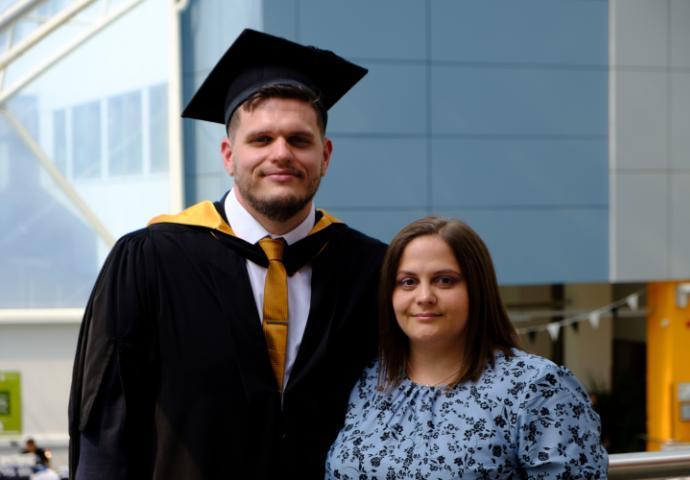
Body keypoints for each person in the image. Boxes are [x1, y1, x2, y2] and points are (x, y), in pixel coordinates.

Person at [68, 29, 386, 479]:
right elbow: (108, 426)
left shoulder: (370, 269)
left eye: (299, 140)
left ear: (325, 154)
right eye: (261, 140)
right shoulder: (151, 259)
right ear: (228, 155)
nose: (281, 154)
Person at [326, 217, 608, 479]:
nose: (424, 297)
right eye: (408, 282)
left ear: (477, 288)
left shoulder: (538, 389)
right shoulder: (371, 380)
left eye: (444, 280)